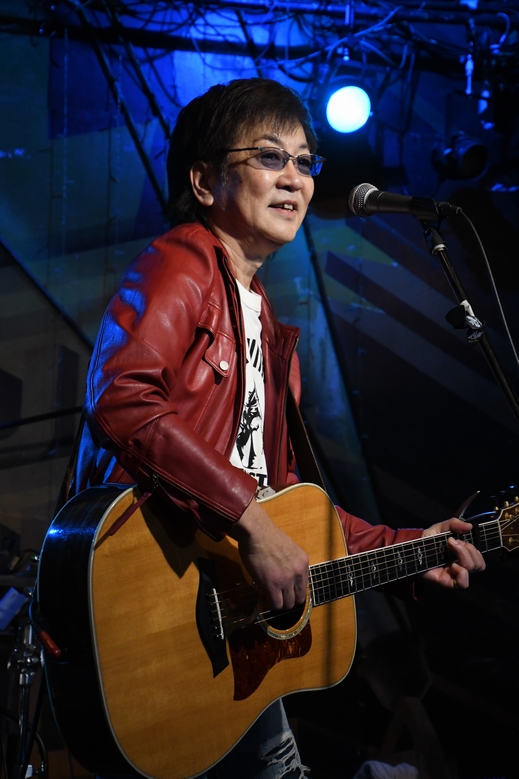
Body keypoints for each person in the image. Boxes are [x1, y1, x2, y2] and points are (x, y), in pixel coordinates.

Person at [72, 78, 485, 779]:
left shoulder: (264, 323)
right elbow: (123, 399)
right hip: (158, 595)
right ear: (204, 181)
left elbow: (288, 505)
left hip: (229, 624)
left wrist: (408, 547)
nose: (295, 177)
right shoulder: (182, 261)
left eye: (304, 161)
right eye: (269, 156)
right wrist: (251, 522)